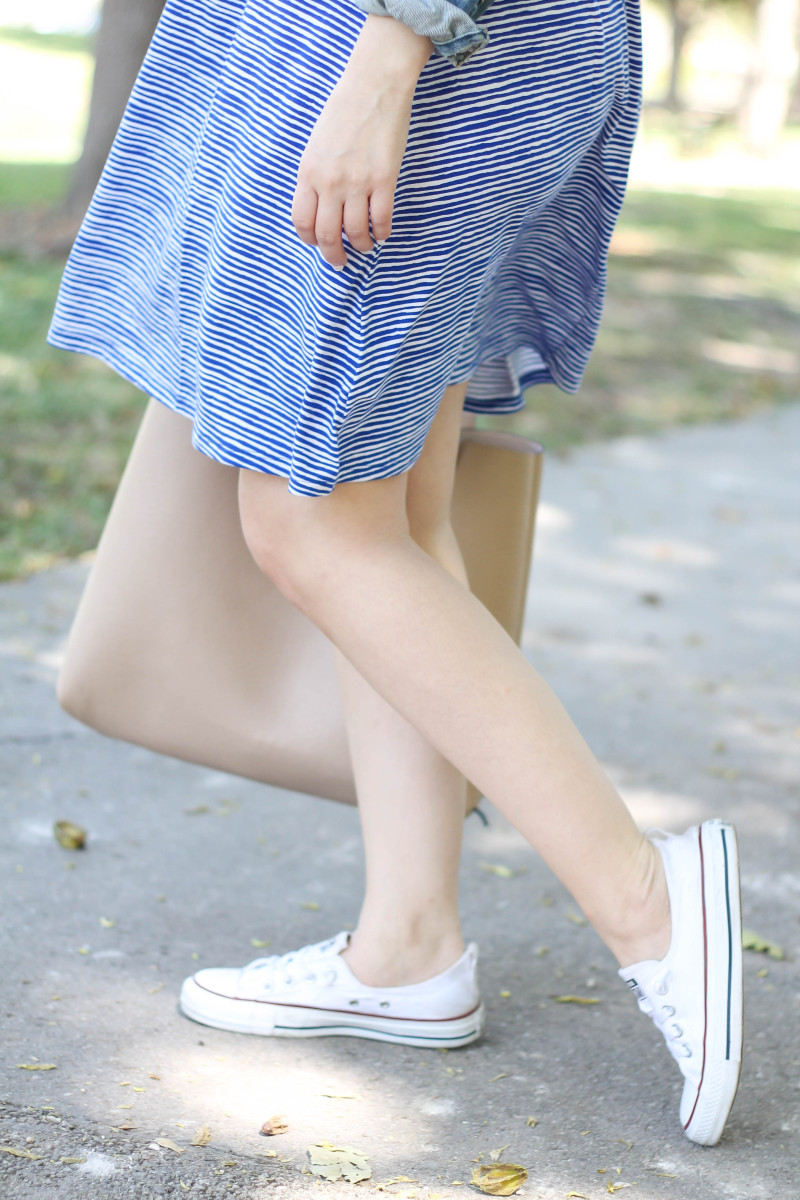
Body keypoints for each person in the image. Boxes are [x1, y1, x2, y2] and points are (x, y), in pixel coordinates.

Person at [46, 0, 743, 1148]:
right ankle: (406, 947)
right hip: (425, 50)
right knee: (397, 510)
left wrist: (395, 45)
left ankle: (645, 900)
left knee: (311, 518)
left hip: (417, 54)